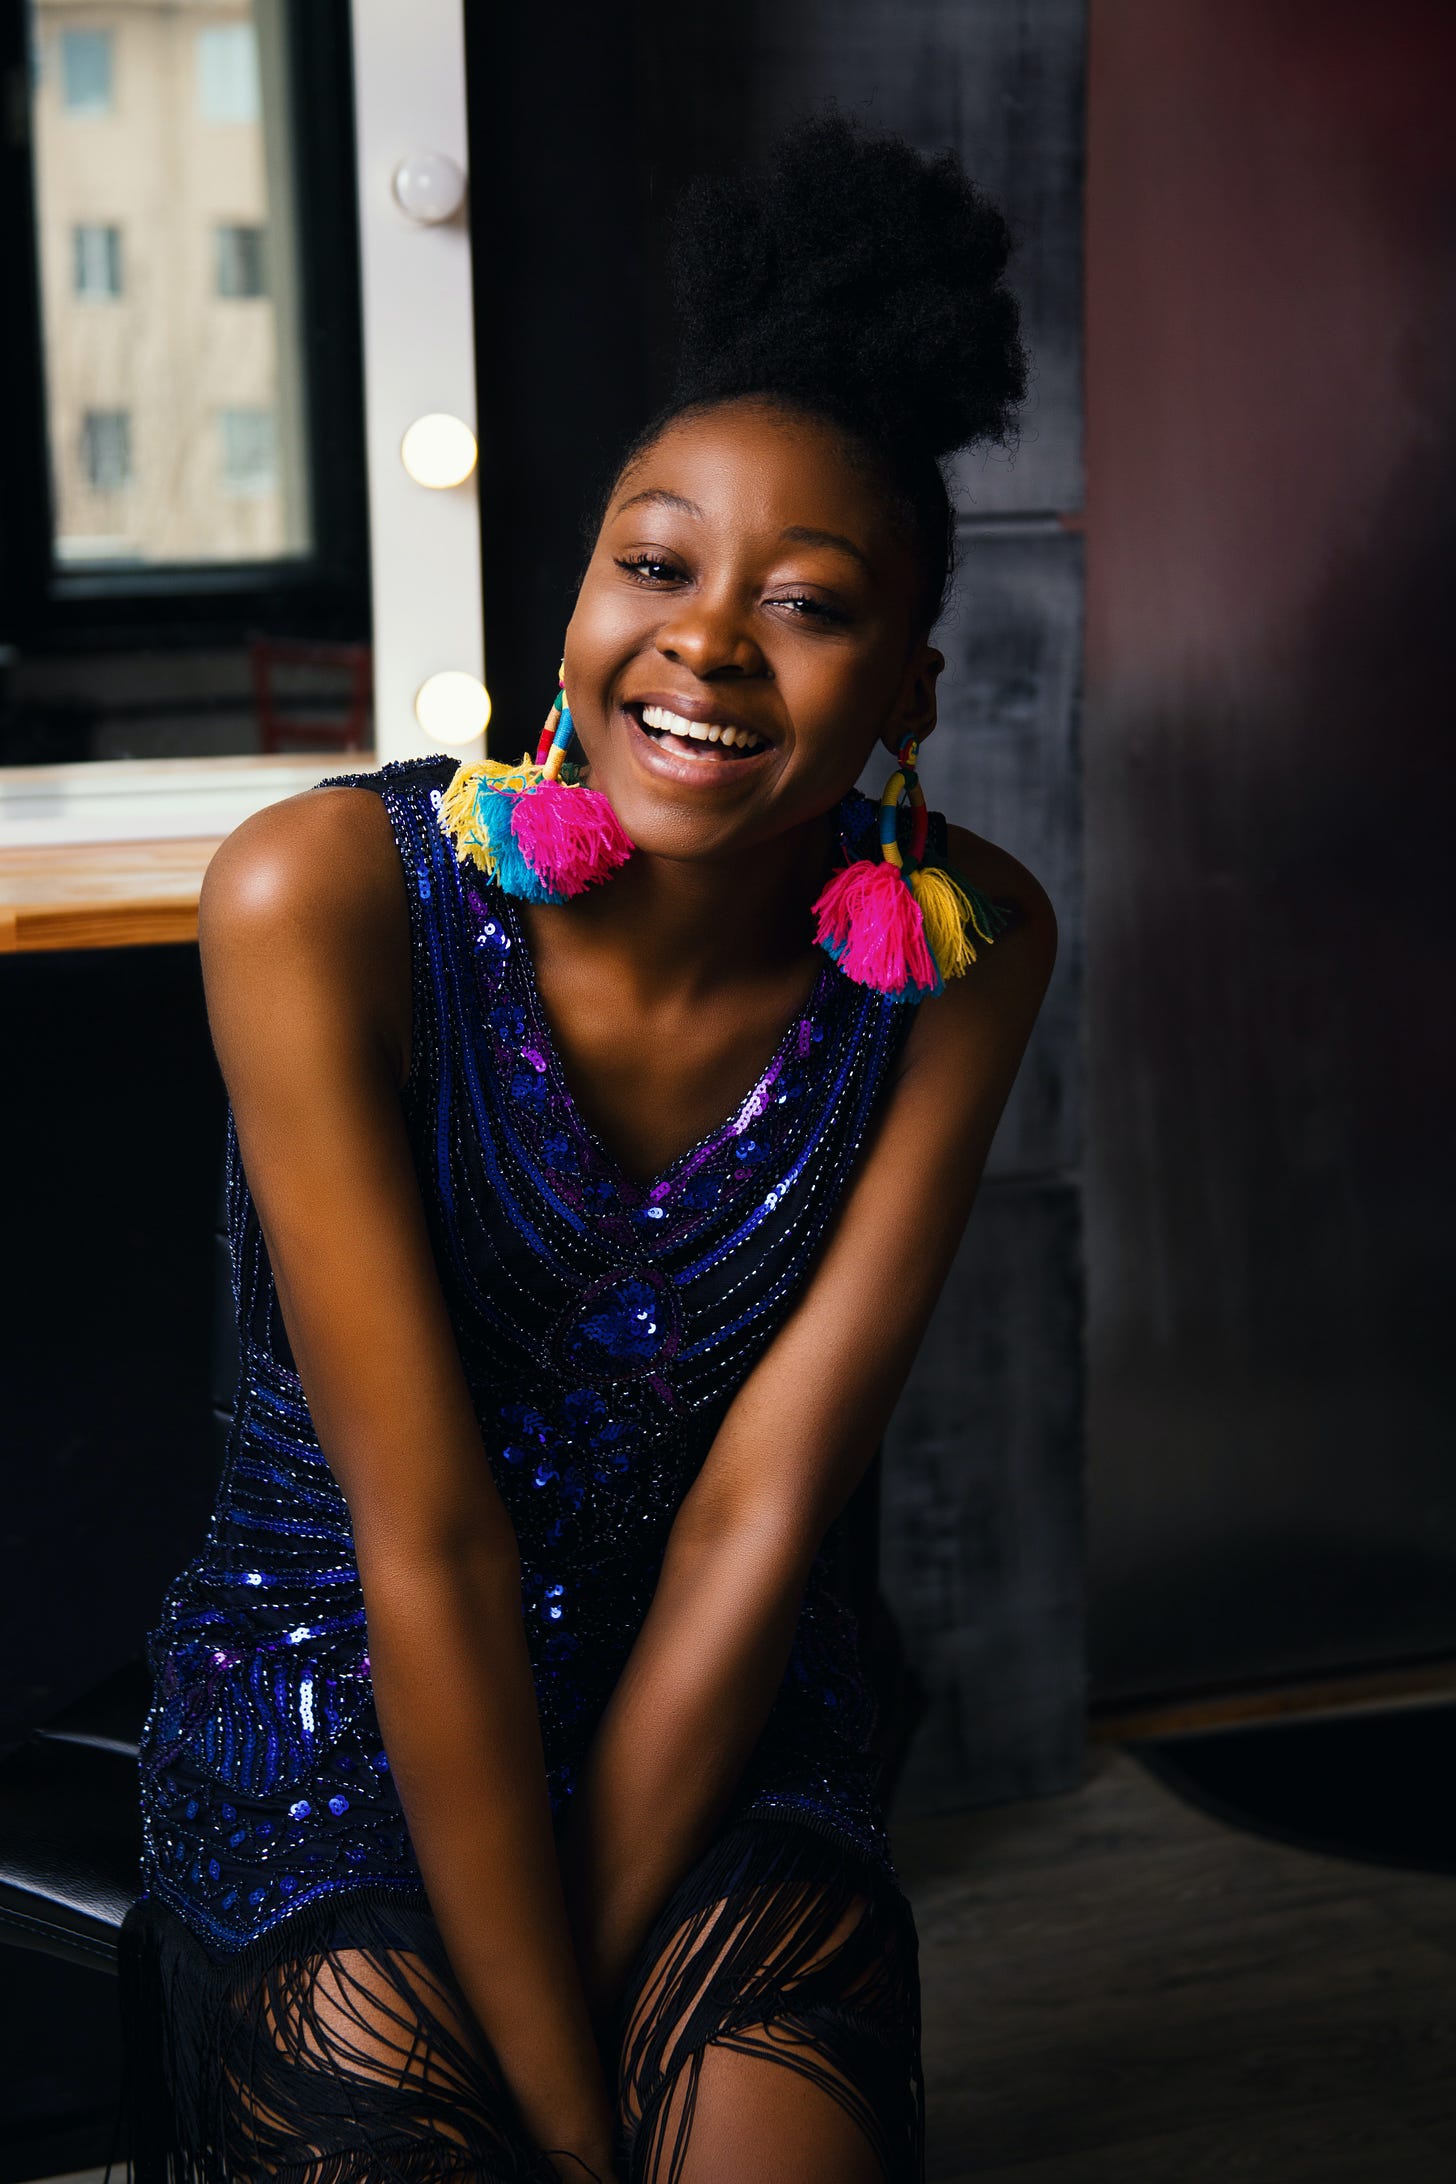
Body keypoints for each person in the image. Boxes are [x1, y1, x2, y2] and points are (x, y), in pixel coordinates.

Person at [115, 112, 1055, 2184]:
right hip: (341, 1706)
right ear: (575, 597)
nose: (704, 640)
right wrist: (551, 2104)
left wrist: (615, 2031)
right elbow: (428, 1545)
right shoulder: (322, 901)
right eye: (653, 562)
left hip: (711, 1716)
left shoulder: (963, 953)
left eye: (805, 605)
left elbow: (759, 1518)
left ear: (906, 683)